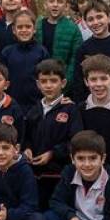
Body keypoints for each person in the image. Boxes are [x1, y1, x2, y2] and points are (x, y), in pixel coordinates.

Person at [23, 59, 82, 210]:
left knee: (55, 209)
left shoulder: (70, 109)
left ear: (63, 83)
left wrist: (52, 153)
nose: (48, 85)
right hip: (34, 173)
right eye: (44, 81)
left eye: (53, 81)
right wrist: (27, 149)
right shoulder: (33, 110)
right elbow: (26, 136)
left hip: (58, 173)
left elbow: (75, 142)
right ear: (38, 84)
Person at [72, 0, 110, 102]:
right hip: (91, 103)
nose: (96, 22)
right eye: (90, 19)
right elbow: (78, 81)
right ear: (85, 22)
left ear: (109, 18)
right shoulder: (83, 49)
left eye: (99, 17)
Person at [1, 9, 50, 112]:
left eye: (28, 27)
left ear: (34, 29)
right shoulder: (7, 52)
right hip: (11, 105)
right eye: (20, 27)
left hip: (37, 105)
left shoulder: (41, 52)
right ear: (14, 30)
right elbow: (2, 79)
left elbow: (46, 78)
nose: (24, 30)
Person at [36, 0, 82, 93]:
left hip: (61, 83)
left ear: (66, 6)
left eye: (60, 1)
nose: (55, 4)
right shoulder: (37, 25)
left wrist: (66, 83)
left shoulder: (73, 29)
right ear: (45, 4)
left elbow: (75, 59)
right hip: (40, 80)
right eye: (51, 1)